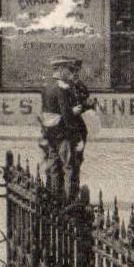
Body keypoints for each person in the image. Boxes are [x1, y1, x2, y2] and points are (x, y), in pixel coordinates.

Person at [38, 56, 96, 201]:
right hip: (64, 133)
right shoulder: (61, 87)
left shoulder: (46, 86)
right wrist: (76, 138)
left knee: (54, 165)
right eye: (68, 69)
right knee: (70, 166)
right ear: (61, 69)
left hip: (50, 132)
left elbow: (48, 110)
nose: (70, 73)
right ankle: (71, 201)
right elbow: (66, 114)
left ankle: (55, 198)